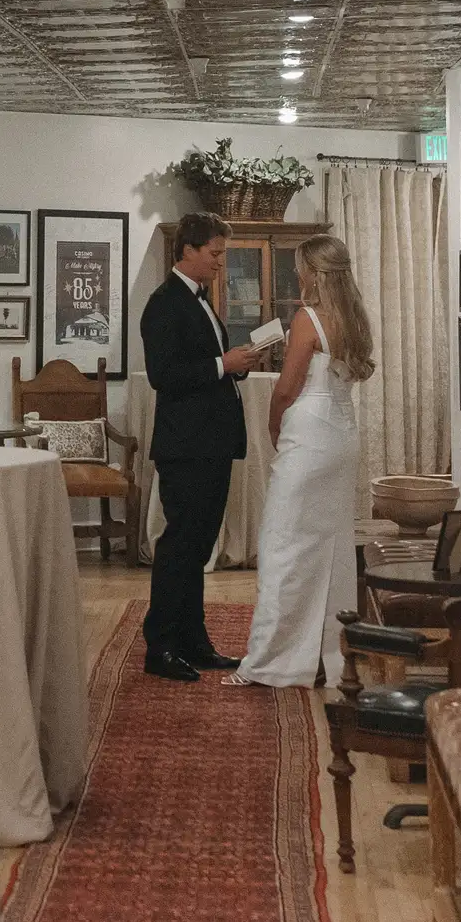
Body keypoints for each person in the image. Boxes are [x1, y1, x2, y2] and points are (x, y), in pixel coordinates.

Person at [231, 235, 377, 687]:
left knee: (283, 546)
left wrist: (275, 426)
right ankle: (327, 656)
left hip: (309, 435)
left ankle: (271, 662)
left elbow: (285, 387)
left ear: (313, 272)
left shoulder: (307, 319)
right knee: (330, 548)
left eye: (300, 267)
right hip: (342, 436)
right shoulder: (355, 318)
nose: (297, 275)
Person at [139, 212, 265, 681]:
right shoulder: (163, 303)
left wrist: (239, 364)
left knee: (198, 548)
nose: (220, 261)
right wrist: (222, 364)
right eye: (214, 252)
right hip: (186, 446)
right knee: (179, 547)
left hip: (210, 443)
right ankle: (161, 647)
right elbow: (164, 376)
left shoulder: (201, 300)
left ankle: (193, 640)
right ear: (188, 250)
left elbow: (206, 365)